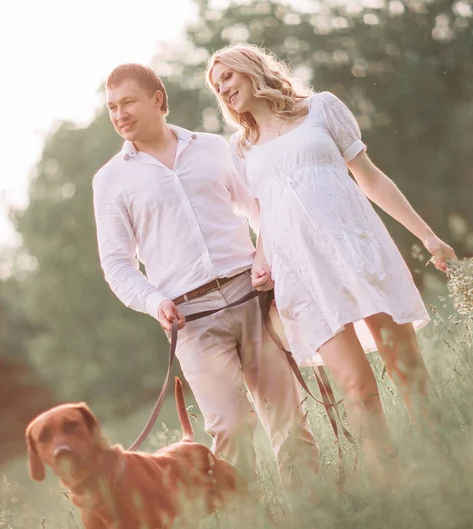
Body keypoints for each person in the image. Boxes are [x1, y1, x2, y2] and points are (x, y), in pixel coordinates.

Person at [206, 44, 457, 471]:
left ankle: (446, 469)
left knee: (408, 371)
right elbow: (267, 214)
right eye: (216, 86)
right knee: (357, 389)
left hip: (358, 250)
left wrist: (428, 237)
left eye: (226, 77)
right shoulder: (241, 148)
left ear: (251, 70)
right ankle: (392, 492)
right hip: (302, 274)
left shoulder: (321, 109)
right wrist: (260, 260)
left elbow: (371, 178)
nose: (223, 89)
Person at [92, 63, 320, 489]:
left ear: (157, 99)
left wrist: (265, 259)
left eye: (127, 102)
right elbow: (117, 264)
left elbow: (260, 208)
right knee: (230, 431)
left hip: (251, 297)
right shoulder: (110, 181)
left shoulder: (214, 147)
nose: (119, 114)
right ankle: (248, 519)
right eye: (111, 107)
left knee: (289, 421)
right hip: (190, 319)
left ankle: (318, 511)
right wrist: (153, 301)